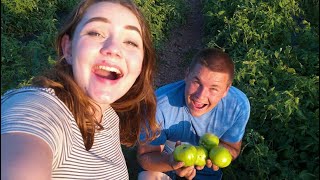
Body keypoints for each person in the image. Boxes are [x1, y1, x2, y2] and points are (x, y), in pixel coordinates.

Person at [1, 0, 159, 179]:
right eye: (96, 33)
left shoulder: (109, 118)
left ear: (141, 65)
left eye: (130, 42)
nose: (113, 49)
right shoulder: (36, 109)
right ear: (68, 48)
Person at [137, 48, 250, 180]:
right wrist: (171, 162)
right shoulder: (160, 105)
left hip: (206, 166)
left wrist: (213, 155)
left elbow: (233, 148)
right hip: (167, 156)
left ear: (226, 90)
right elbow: (145, 156)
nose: (200, 96)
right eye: (197, 82)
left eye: (213, 88)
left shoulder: (237, 106)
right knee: (148, 177)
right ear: (187, 75)